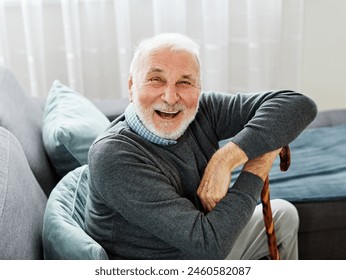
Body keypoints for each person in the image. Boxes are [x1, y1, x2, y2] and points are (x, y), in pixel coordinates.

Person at [85, 33, 317, 260]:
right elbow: (209, 245)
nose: (170, 97)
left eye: (185, 82)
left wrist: (225, 158)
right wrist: (258, 164)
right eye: (156, 79)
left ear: (198, 88)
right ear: (131, 86)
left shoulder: (202, 111)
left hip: (197, 245)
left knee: (283, 215)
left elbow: (298, 104)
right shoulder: (114, 155)